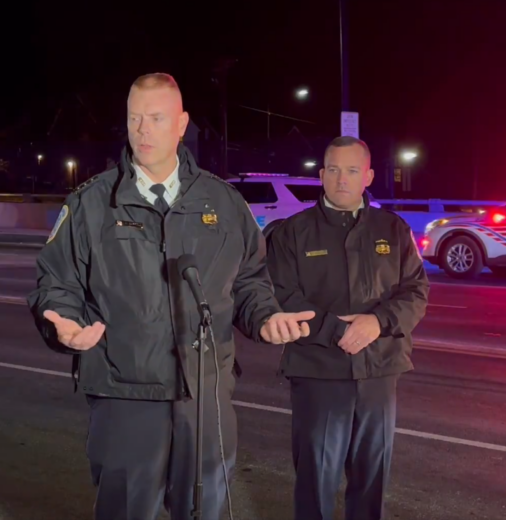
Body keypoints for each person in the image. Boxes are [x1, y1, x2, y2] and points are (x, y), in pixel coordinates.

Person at [27, 73, 315, 520]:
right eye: (134, 119)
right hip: (125, 394)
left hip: (204, 396)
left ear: (181, 124)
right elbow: (56, 282)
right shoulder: (90, 204)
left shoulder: (223, 202)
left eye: (155, 118)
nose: (142, 129)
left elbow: (249, 281)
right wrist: (61, 322)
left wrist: (265, 317)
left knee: (205, 510)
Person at [266, 136, 429, 520]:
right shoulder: (293, 232)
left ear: (368, 175)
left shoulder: (393, 229)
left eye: (352, 170)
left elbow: (416, 290)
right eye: (334, 170)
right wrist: (336, 332)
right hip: (318, 369)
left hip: (379, 369)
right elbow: (283, 294)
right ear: (321, 175)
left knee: (372, 477)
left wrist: (378, 322)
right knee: (316, 478)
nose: (342, 179)